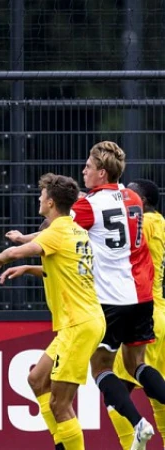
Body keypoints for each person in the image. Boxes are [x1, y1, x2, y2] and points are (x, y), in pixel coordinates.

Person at [6, 142, 163, 449]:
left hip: (109, 299)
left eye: (89, 167)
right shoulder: (132, 198)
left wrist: (22, 238)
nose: (84, 171)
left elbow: (59, 230)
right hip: (141, 296)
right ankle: (139, 421)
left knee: (101, 368)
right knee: (137, 366)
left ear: (101, 172)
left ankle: (139, 424)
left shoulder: (89, 205)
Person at [0, 174, 106, 450]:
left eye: (41, 196)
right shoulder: (75, 230)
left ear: (51, 202)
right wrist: (29, 269)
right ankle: (61, 444)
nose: (39, 199)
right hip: (80, 321)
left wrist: (2, 256)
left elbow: (22, 250)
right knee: (37, 380)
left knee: (60, 403)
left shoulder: (57, 231)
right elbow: (62, 268)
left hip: (79, 324)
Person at [110, 179, 165, 449]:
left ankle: (131, 442)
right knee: (158, 401)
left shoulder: (148, 224)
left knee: (115, 393)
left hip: (145, 314)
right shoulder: (161, 224)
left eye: (130, 194)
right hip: (160, 312)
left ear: (140, 201)